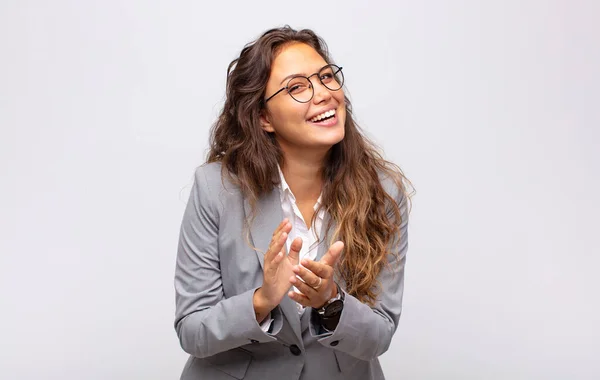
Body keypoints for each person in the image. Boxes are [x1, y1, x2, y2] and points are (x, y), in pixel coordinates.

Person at [174, 26, 412, 380]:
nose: (324, 94)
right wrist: (262, 299)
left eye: (327, 77)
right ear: (263, 118)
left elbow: (379, 335)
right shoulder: (215, 188)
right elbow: (193, 331)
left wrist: (331, 301)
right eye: (297, 87)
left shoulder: (385, 192)